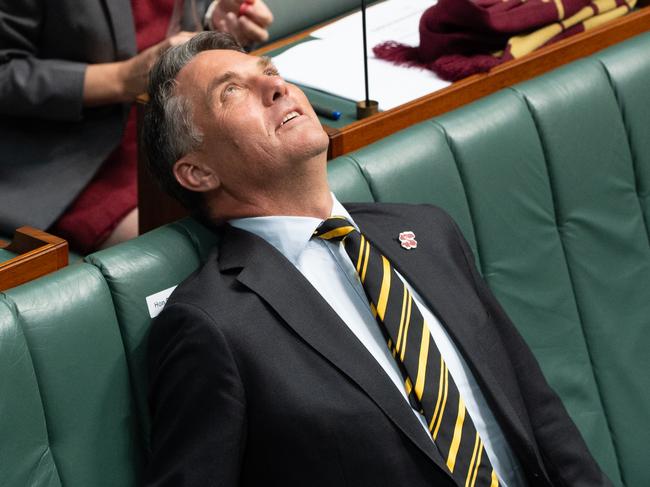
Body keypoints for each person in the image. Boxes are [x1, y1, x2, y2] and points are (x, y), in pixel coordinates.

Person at [142, 31, 613, 487]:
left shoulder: (427, 231)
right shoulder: (212, 324)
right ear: (198, 172)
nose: (277, 86)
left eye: (270, 71)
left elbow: (539, 413)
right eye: (232, 91)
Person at [0, 0, 271, 253]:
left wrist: (212, 15)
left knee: (277, 218)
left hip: (176, 121)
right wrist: (121, 78)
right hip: (68, 154)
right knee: (215, 252)